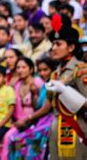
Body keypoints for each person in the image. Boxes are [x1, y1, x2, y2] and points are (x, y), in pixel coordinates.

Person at [45, 14, 87, 160]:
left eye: (58, 44)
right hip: (56, 127)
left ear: (71, 47)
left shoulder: (80, 70)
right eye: (53, 44)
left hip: (76, 127)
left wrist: (66, 91)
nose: (53, 48)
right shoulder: (55, 73)